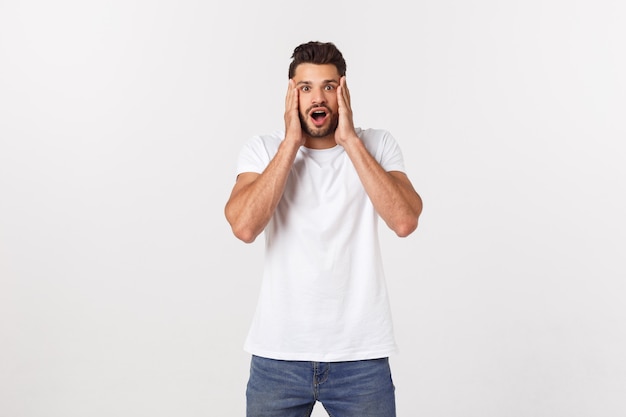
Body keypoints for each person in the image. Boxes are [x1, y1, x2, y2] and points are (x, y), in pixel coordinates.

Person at [224, 41, 423, 417]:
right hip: (278, 357)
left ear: (344, 92)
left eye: (329, 87)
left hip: (361, 359)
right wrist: (290, 144)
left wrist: (350, 141)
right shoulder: (264, 150)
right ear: (291, 95)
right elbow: (244, 227)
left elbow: (404, 220)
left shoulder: (376, 145)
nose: (319, 98)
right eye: (306, 88)